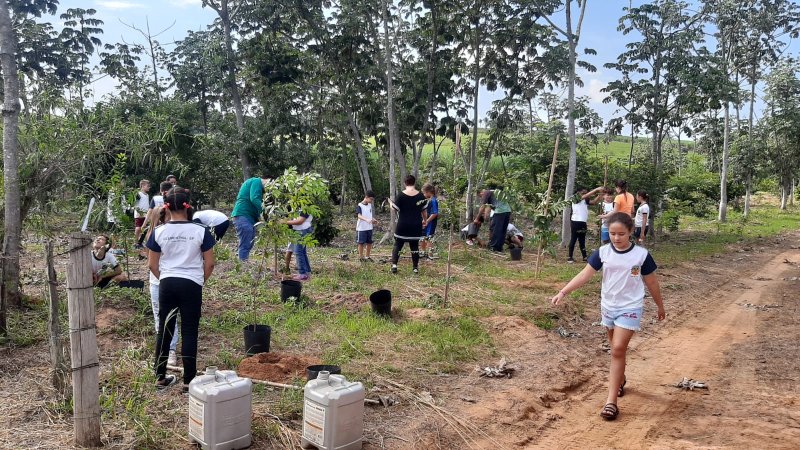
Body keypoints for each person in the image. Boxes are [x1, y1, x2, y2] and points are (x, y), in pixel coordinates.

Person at [551, 212, 665, 421]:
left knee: (618, 349)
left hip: (631, 306)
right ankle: (620, 379)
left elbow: (652, 282)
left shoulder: (641, 255)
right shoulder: (603, 253)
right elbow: (584, 275)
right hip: (608, 307)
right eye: (612, 233)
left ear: (631, 232)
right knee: (615, 350)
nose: (617, 238)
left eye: (621, 233)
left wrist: (660, 306)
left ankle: (610, 402)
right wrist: (563, 292)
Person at [147, 187, 215, 391]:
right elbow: (210, 263)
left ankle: (160, 377)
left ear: (166, 207)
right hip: (191, 285)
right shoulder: (200, 231)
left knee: (164, 331)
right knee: (189, 331)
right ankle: (188, 381)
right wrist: (198, 280)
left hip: (167, 284)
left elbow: (152, 265)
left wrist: (166, 278)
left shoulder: (159, 231)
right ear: (188, 206)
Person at [389, 175, 428, 274]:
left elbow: (395, 209)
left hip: (402, 224)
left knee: (398, 244)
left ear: (405, 183)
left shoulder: (401, 195)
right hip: (415, 225)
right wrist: (425, 221)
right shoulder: (420, 196)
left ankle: (394, 265)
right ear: (414, 183)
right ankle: (415, 268)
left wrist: (390, 204)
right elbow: (424, 211)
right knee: (414, 246)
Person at [231, 176, 269, 261]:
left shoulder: (260, 188)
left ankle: (244, 262)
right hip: (242, 215)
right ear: (267, 180)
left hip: (248, 217)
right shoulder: (256, 181)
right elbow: (254, 198)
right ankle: (242, 265)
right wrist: (266, 211)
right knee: (246, 242)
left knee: (250, 242)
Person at [568, 186, 604, 263]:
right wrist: (596, 189)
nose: (585, 194)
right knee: (573, 239)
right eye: (583, 193)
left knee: (582, 240)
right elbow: (584, 196)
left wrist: (599, 195)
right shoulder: (574, 198)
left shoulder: (584, 200)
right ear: (578, 192)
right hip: (575, 222)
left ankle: (584, 257)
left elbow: (593, 202)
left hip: (583, 222)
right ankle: (570, 257)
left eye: (586, 193)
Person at [286, 211, 313, 281]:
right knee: (302, 252)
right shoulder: (298, 205)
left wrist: (284, 222)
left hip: (301, 230)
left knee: (298, 252)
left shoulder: (305, 206)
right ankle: (306, 272)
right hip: (300, 229)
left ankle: (302, 274)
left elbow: (300, 221)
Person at [356, 190, 378, 261]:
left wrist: (373, 219)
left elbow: (369, 215)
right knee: (361, 243)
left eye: (372, 199)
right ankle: (361, 257)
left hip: (369, 227)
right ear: (366, 197)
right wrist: (366, 219)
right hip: (361, 228)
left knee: (369, 242)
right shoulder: (359, 205)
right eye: (371, 199)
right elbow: (359, 216)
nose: (371, 201)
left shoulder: (369, 205)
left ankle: (367, 257)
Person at [420, 183, 439, 259]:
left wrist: (427, 221)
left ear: (428, 192)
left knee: (429, 238)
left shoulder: (433, 200)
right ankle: (423, 252)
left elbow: (435, 213)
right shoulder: (428, 200)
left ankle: (430, 255)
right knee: (422, 237)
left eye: (424, 193)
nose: (424, 194)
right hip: (425, 222)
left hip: (430, 223)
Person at [133, 179, 151, 248]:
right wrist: (138, 212)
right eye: (147, 186)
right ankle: (136, 241)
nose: (149, 187)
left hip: (146, 214)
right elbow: (135, 203)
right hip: (139, 214)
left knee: (145, 229)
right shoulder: (138, 194)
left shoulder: (147, 195)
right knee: (138, 228)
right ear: (142, 186)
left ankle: (141, 242)